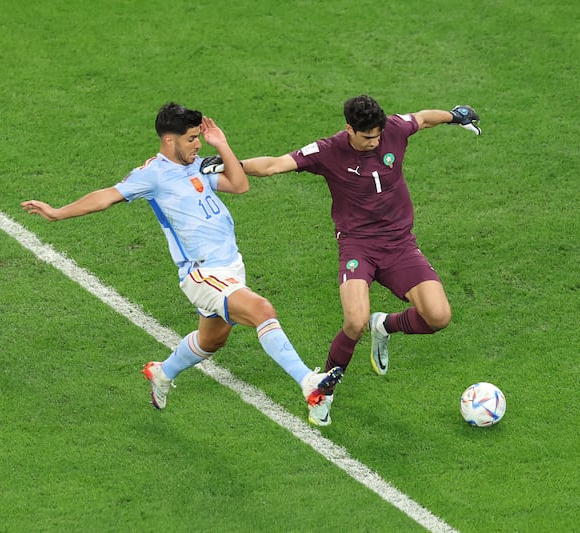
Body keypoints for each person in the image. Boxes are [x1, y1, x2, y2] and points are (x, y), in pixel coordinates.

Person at [22, 102, 342, 425]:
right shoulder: (153, 176)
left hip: (231, 266)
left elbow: (240, 185)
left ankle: (162, 373)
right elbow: (106, 196)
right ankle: (309, 383)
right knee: (263, 311)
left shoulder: (198, 165)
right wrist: (57, 212)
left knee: (211, 340)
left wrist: (222, 144)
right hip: (202, 273)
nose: (197, 144)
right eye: (191, 138)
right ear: (169, 140)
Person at [232, 95, 481, 425]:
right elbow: (275, 164)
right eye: (368, 138)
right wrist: (227, 165)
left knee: (438, 316)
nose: (376, 142)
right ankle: (322, 394)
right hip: (358, 247)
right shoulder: (328, 151)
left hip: (400, 245)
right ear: (349, 129)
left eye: (378, 136)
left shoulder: (392, 128)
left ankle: (385, 325)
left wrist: (454, 115)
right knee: (354, 321)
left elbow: (422, 118)